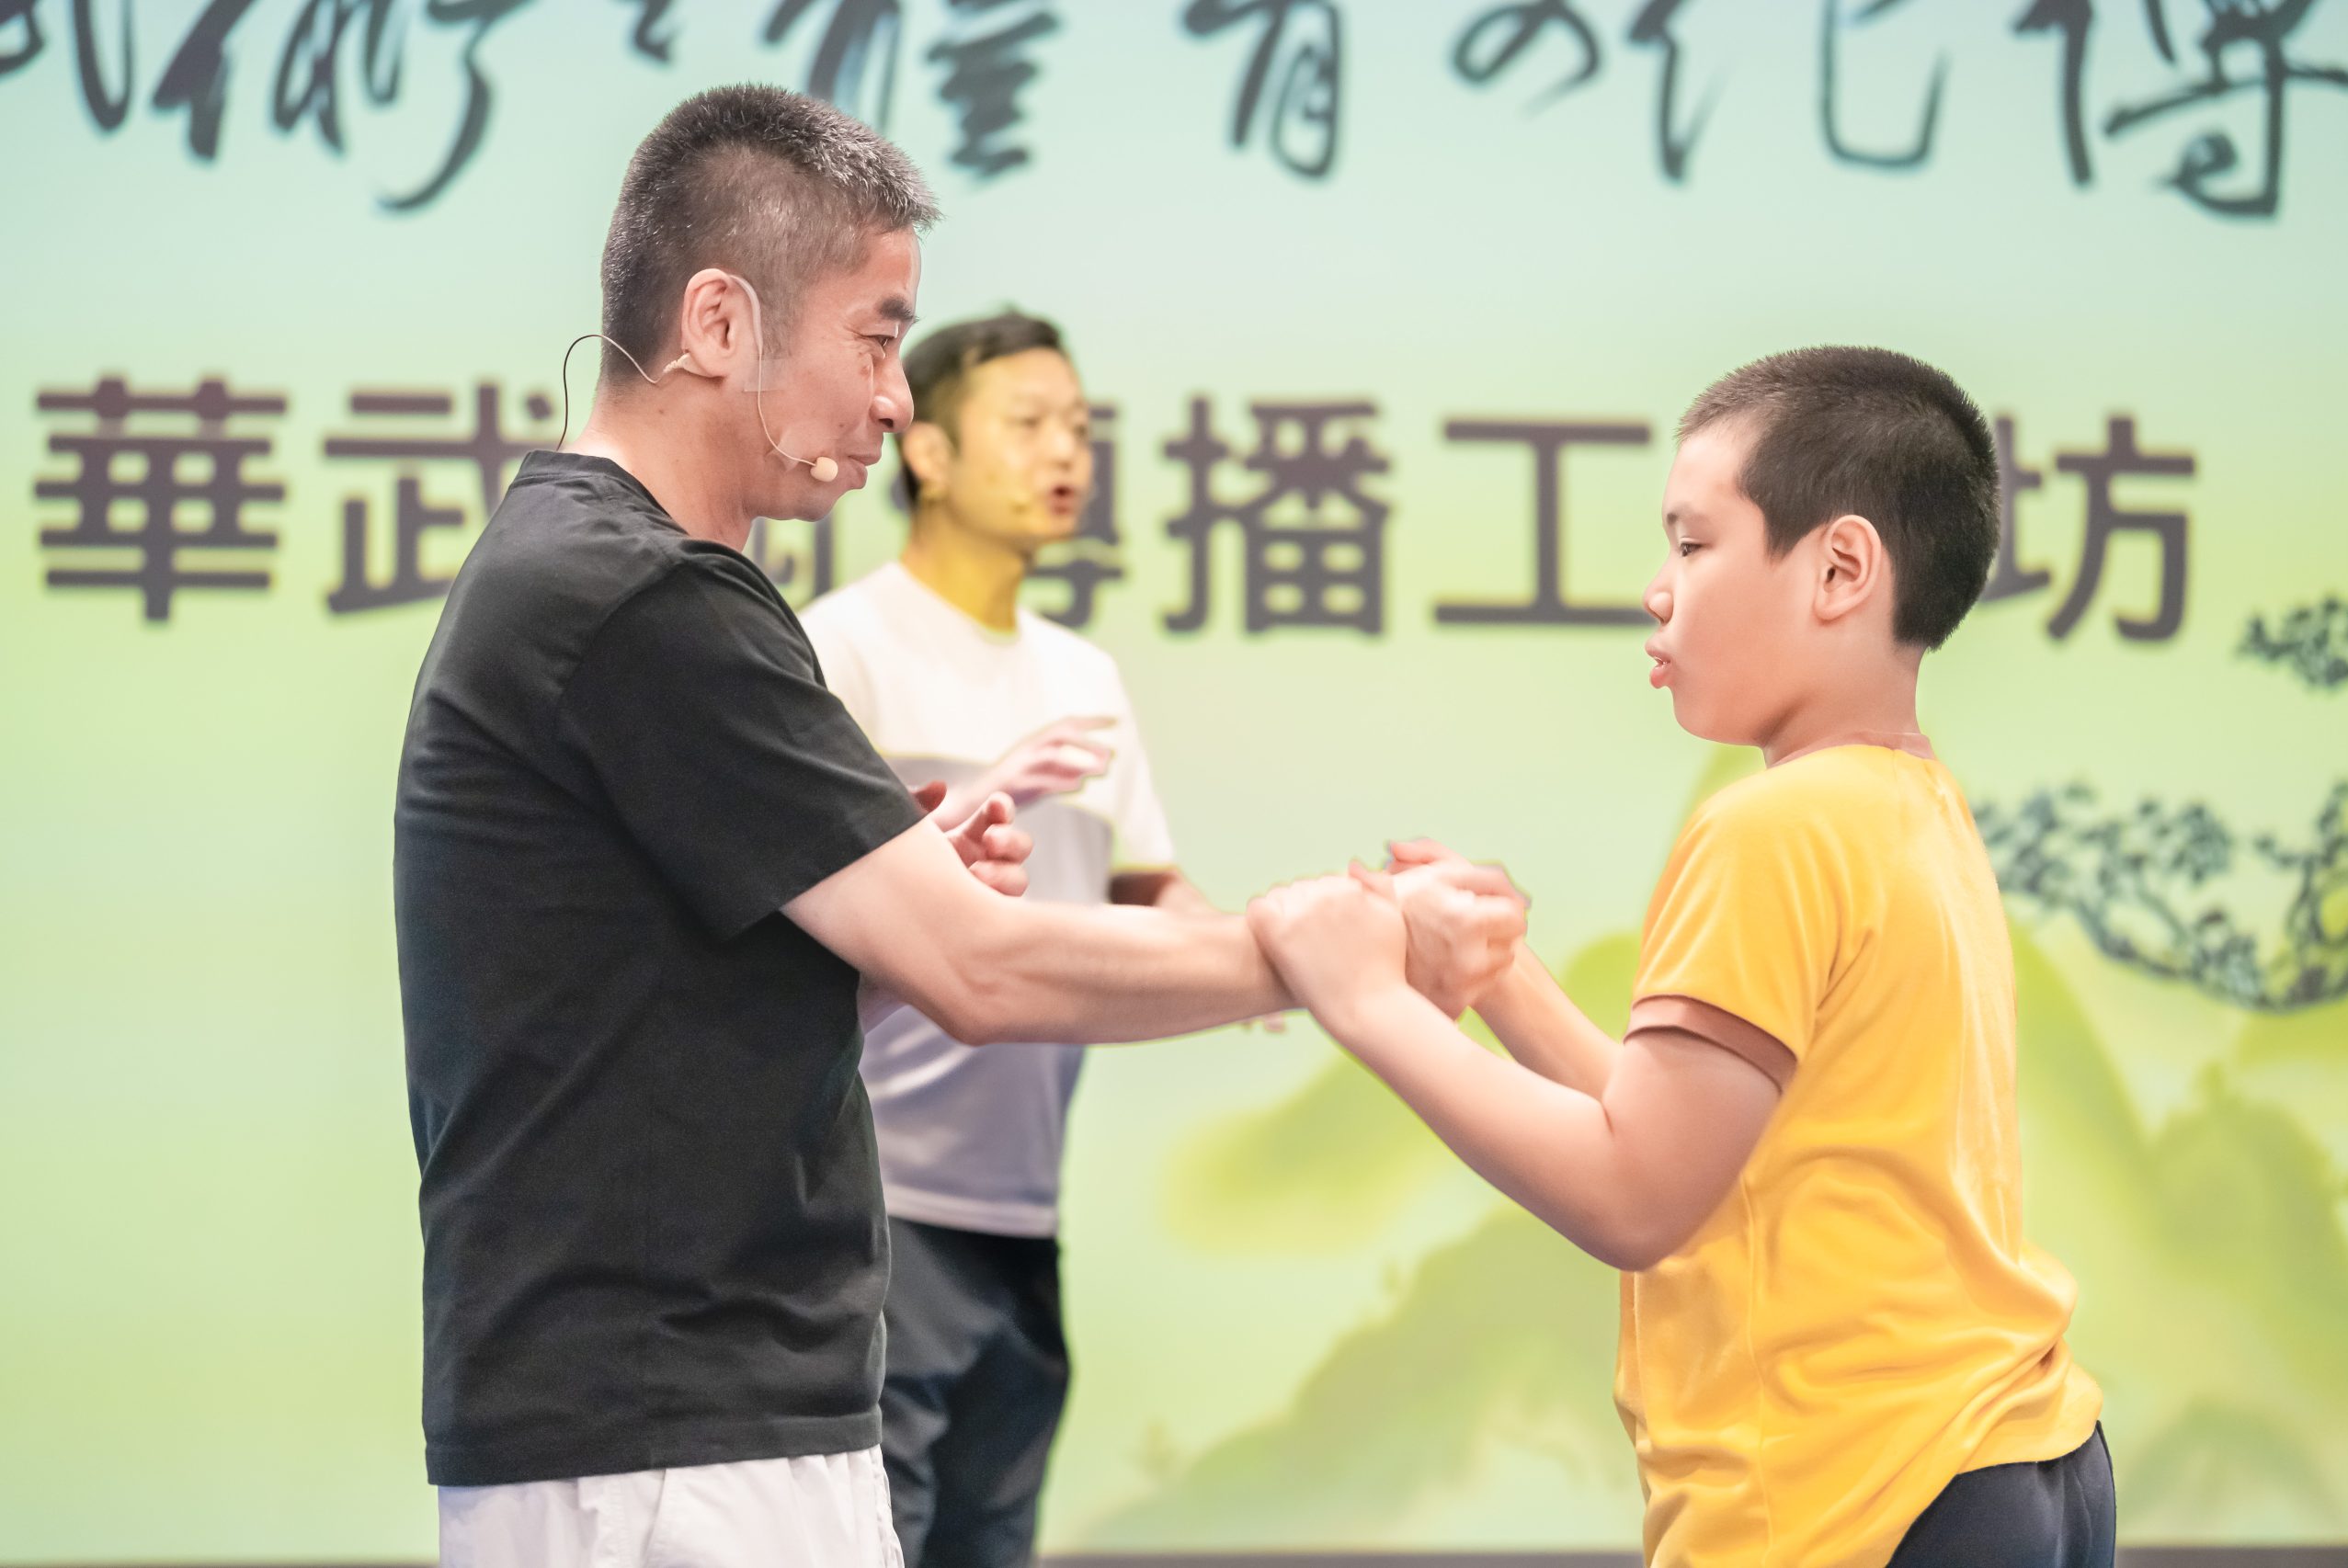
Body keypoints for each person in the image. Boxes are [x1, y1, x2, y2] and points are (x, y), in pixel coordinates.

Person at [394, 85, 1522, 1568]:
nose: (894, 400)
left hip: (688, 1414)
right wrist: (1329, 949)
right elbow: (980, 971)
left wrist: (880, 918)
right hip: (670, 1435)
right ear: (720, 321)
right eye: (875, 339)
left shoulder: (607, 575)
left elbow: (687, 1002)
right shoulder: (644, 594)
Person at [1248, 347, 2112, 1568]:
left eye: (1694, 545)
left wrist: (1365, 1001)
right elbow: (1698, 1141)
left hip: (1854, 1494)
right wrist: (1502, 981)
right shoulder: (1908, 805)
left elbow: (1636, 1193)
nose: (1658, 593)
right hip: (2010, 1457)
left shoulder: (1771, 826)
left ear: (1842, 568)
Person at [800, 309, 1233, 1568]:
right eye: (1029, 423)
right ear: (927, 452)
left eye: (1080, 428)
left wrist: (1300, 948)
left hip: (1022, 1216)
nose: (1065, 453)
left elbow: (1151, 893)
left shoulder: (1085, 678)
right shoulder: (841, 647)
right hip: (875, 1210)